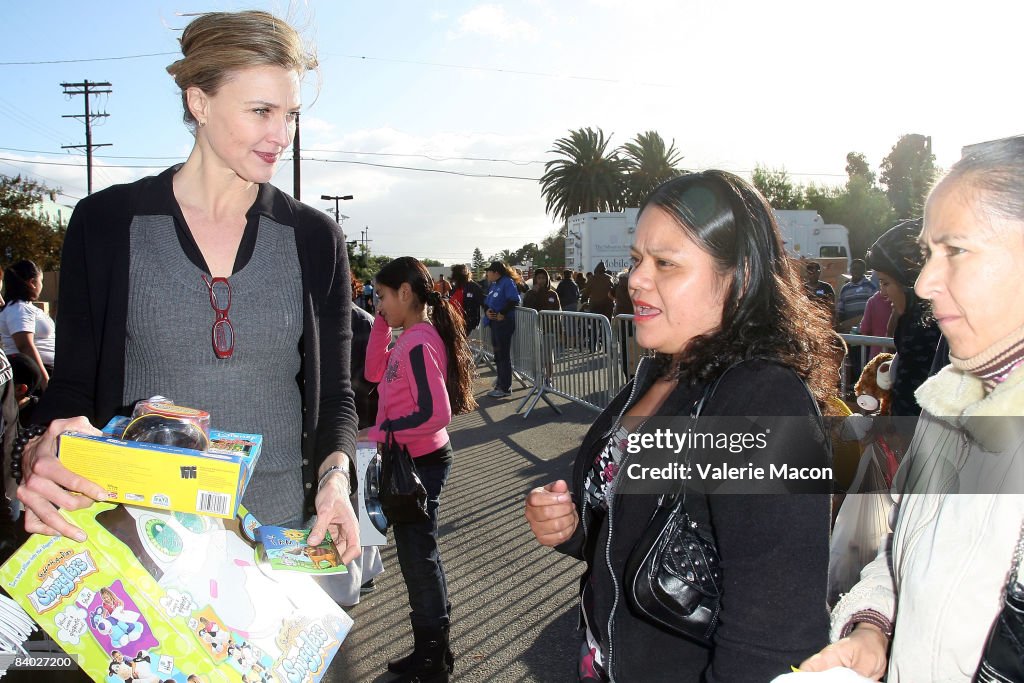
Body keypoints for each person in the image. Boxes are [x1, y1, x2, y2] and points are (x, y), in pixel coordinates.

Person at [16, 11, 360, 561]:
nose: (283, 135)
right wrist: (36, 450)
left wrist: (336, 479)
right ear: (199, 102)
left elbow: (334, 398)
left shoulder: (315, 238)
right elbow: (72, 388)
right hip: (134, 544)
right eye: (261, 111)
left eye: (291, 114)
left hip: (275, 544)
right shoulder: (106, 223)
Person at [526, 171, 836, 681]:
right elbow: (638, 536)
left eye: (666, 264)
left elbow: (775, 643)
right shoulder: (659, 369)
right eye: (636, 260)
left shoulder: (766, 400)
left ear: (738, 275)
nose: (635, 279)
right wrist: (570, 527)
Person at [800, 136, 1024, 681]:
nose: (924, 282)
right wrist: (872, 629)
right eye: (928, 254)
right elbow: (906, 553)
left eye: (956, 250)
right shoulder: (947, 405)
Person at [365, 257, 476, 683]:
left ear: (405, 294)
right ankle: (432, 651)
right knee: (418, 555)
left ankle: (433, 656)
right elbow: (373, 372)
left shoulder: (418, 342)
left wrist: (383, 431)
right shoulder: (407, 337)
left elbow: (436, 412)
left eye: (383, 296)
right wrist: (380, 322)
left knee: (419, 556)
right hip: (412, 459)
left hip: (421, 463)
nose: (380, 304)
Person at [866, 220, 940, 417]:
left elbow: (909, 410)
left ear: (911, 282)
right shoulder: (931, 322)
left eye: (885, 283)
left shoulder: (923, 332)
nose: (882, 292)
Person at [0, 260, 55, 395]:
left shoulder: (23, 307)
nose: (41, 285)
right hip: (39, 375)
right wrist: (45, 382)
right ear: (32, 282)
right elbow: (25, 346)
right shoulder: (18, 308)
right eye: (40, 281)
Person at [482, 261, 522, 398]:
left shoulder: (507, 282)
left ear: (496, 273)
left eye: (489, 271)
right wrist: (487, 311)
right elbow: (487, 303)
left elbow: (514, 300)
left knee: (503, 356)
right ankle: (501, 382)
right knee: (498, 355)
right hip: (494, 323)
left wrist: (502, 313)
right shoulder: (494, 284)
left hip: (504, 323)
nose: (487, 274)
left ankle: (505, 387)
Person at [835, 258, 877, 333]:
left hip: (866, 329)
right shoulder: (845, 288)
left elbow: (875, 309)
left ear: (864, 271)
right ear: (850, 270)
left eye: (859, 269)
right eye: (854, 268)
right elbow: (840, 310)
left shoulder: (870, 286)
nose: (856, 271)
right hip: (850, 330)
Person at [857, 290, 894, 361]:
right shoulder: (900, 302)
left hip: (876, 353)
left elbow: (865, 329)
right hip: (895, 354)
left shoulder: (872, 301)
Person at [448, 264, 484, 336]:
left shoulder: (474, 287)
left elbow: (483, 302)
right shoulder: (455, 287)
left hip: (466, 321)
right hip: (454, 320)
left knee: (459, 341)